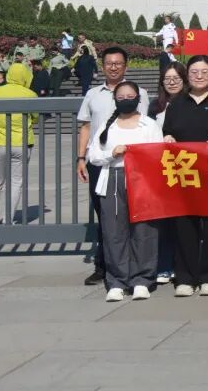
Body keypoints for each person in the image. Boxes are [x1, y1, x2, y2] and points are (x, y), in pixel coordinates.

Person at [76, 46, 150, 286]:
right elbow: (86, 127)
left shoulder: (139, 93)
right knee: (105, 215)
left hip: (132, 164)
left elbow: (145, 124)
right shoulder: (93, 94)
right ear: (103, 66)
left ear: (126, 66)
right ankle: (104, 266)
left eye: (118, 63)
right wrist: (81, 158)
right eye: (109, 63)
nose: (114, 67)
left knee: (133, 214)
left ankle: (134, 265)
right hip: (100, 162)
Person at [161, 55, 208, 297]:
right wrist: (168, 138)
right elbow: (167, 131)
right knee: (184, 226)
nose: (199, 76)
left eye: (204, 72)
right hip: (185, 174)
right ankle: (185, 277)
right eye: (194, 72)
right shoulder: (177, 103)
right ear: (187, 75)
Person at [88, 81, 161, 301]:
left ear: (138, 98)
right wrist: (112, 153)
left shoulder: (149, 125)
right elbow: (94, 156)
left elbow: (158, 154)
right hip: (113, 178)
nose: (126, 100)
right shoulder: (107, 126)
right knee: (113, 231)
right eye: (121, 97)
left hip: (143, 180)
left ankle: (142, 279)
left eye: (130, 96)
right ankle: (117, 281)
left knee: (144, 230)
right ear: (115, 100)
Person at [148, 60, 186, 285]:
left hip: (186, 166)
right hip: (161, 168)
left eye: (176, 79)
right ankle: (164, 265)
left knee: (184, 220)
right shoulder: (155, 106)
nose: (171, 83)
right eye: (167, 79)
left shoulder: (190, 103)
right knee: (164, 219)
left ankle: (183, 264)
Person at [0, 63, 37, 225]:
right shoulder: (30, 94)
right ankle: (8, 219)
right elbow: (35, 117)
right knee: (16, 182)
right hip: (21, 144)